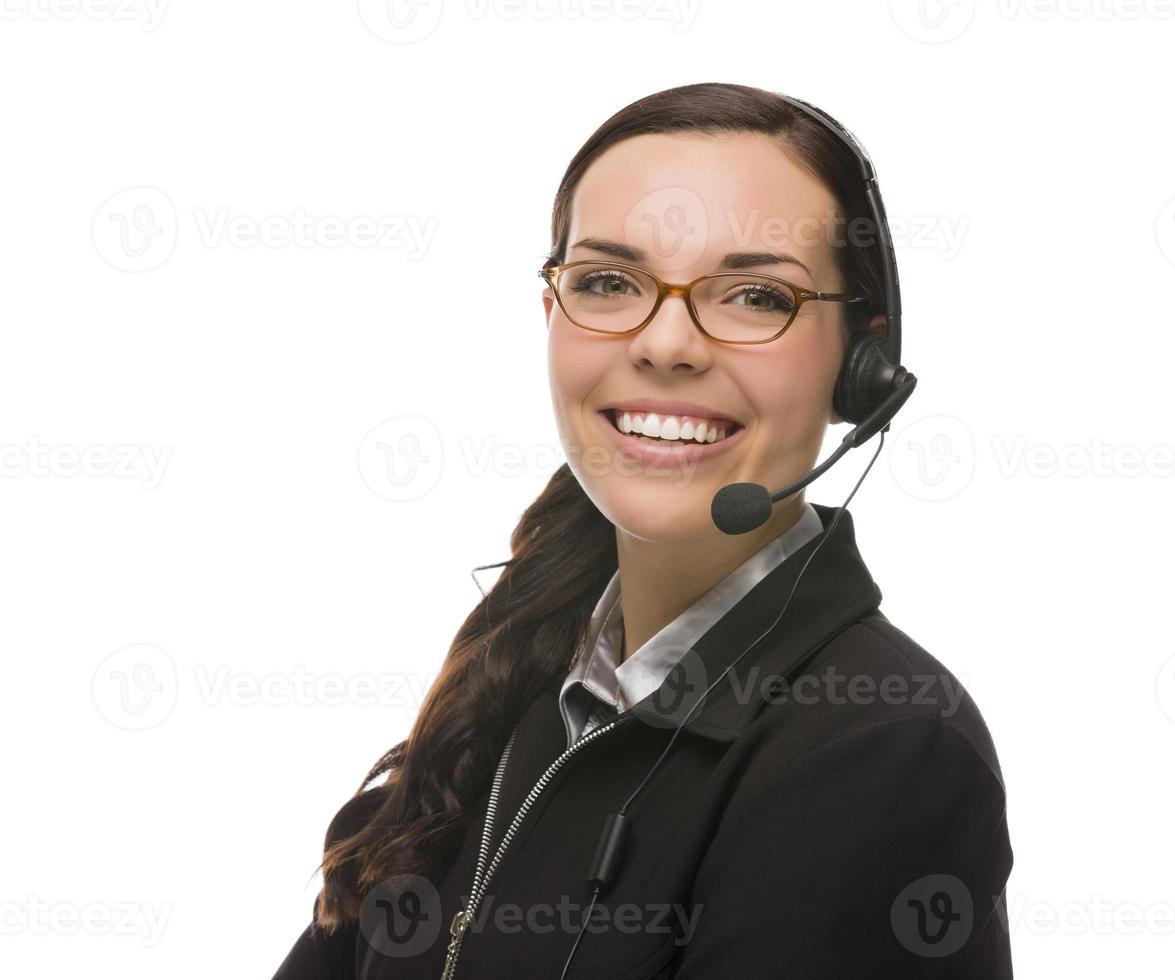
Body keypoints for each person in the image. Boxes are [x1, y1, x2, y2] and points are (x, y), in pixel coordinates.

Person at [271, 81, 1014, 979]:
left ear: (861, 367)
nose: (665, 344)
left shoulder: (881, 749)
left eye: (753, 296)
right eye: (609, 283)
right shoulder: (520, 681)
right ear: (552, 317)